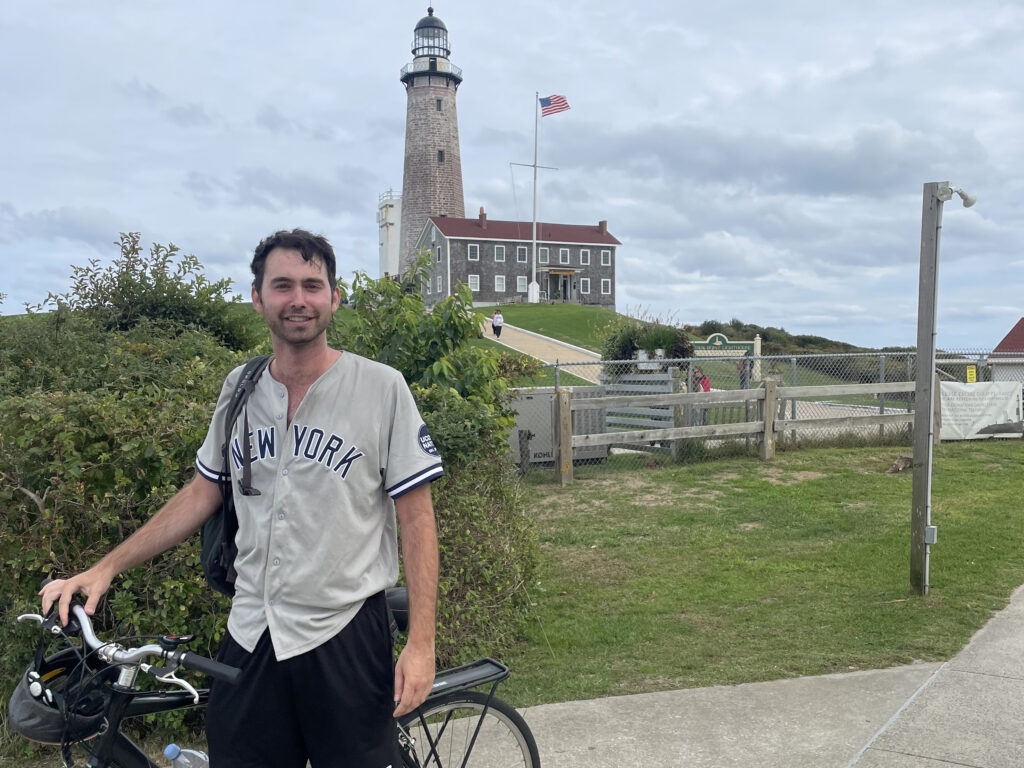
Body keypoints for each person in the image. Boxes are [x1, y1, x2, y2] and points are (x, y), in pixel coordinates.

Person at [40, 229, 443, 767]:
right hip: (252, 630)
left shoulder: (382, 388)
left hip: (344, 633)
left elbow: (416, 521)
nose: (298, 299)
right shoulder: (240, 388)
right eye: (282, 286)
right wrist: (105, 568)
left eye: (312, 285)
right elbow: (202, 492)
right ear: (258, 298)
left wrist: (421, 645)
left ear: (334, 297)